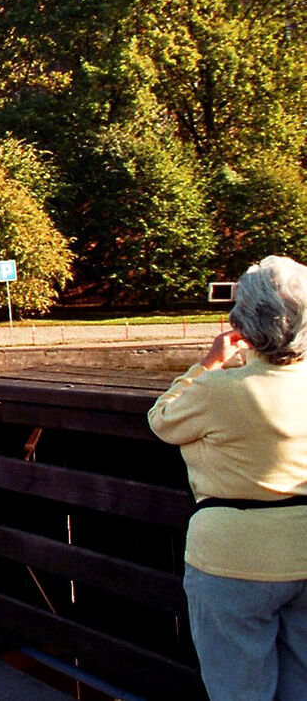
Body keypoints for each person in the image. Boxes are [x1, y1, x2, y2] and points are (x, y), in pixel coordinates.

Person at [149, 255, 307, 701]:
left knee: (239, 689)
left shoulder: (220, 391)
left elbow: (162, 420)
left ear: (243, 322)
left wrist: (209, 363)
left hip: (230, 558)